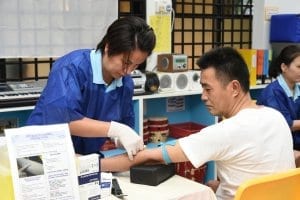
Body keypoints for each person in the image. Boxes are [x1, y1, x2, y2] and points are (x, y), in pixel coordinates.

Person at [100, 47, 295, 200]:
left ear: (234, 87)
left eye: (208, 89)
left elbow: (149, 155)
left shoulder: (225, 132)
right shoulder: (276, 117)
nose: (203, 96)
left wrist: (96, 166)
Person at [26, 16, 156, 160]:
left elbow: (123, 125)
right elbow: (63, 121)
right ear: (108, 47)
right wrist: (116, 130)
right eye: (126, 62)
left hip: (84, 159)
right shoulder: (72, 68)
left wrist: (122, 140)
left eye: (136, 65)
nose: (128, 71)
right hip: (41, 154)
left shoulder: (125, 84)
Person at [256, 45, 300, 166]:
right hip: (274, 148)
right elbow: (285, 124)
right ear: (284, 67)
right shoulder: (272, 93)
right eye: (298, 67)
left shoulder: (297, 88)